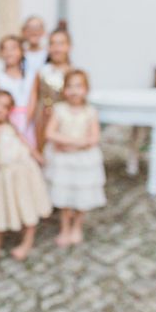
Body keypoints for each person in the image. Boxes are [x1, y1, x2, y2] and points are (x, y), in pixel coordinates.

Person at [0, 90, 52, 261]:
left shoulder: (10, 126)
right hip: (6, 175)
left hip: (25, 170)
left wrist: (37, 156)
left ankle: (27, 241)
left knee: (27, 205)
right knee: (1, 207)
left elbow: (24, 142)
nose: (0, 108)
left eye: (5, 106)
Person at [45, 70, 106, 247]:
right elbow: (50, 133)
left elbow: (94, 138)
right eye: (70, 86)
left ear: (86, 89)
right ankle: (64, 227)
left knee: (82, 195)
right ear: (64, 90)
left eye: (79, 86)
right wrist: (74, 142)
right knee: (64, 196)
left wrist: (74, 144)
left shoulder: (90, 111)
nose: (74, 91)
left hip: (84, 161)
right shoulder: (59, 110)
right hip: (64, 161)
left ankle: (77, 225)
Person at [0, 35, 38, 148]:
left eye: (13, 48)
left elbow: (32, 100)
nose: (9, 52)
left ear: (21, 51)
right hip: (4, 120)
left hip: (26, 121)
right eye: (4, 49)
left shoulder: (31, 75)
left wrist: (24, 124)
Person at [35, 28, 73, 151]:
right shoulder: (42, 72)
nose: (57, 48)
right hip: (44, 121)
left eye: (61, 44)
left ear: (69, 47)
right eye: (53, 44)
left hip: (67, 122)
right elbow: (34, 99)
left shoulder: (73, 73)